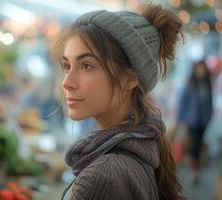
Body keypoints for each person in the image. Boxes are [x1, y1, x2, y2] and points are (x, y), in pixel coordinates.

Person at [52, 4, 184, 200]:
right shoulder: (144, 144)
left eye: (86, 66)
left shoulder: (103, 176)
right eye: (67, 66)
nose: (67, 82)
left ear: (130, 78)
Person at [177, 60, 213, 185]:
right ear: (195, 70)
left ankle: (196, 169)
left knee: (198, 144)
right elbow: (183, 102)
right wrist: (180, 119)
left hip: (203, 121)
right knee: (195, 145)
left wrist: (209, 116)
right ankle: (194, 171)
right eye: (198, 68)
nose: (200, 71)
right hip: (192, 120)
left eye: (202, 68)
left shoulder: (207, 84)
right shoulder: (190, 84)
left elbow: (209, 102)